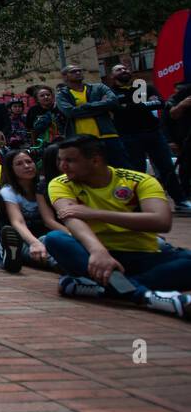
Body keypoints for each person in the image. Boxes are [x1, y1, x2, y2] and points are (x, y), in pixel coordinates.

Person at [44, 134, 191, 318]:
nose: (62, 166)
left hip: (144, 254)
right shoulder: (60, 183)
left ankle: (101, 288)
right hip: (93, 257)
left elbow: (161, 222)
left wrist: (96, 213)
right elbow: (72, 219)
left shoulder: (139, 180)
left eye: (70, 160)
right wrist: (98, 251)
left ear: (95, 161)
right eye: (60, 160)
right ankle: (145, 296)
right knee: (56, 239)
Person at [107, 63, 191, 212]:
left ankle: (181, 201)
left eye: (126, 68)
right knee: (136, 172)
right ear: (112, 76)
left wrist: (130, 106)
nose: (124, 70)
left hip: (153, 133)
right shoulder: (110, 93)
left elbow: (159, 103)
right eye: (118, 69)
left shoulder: (146, 87)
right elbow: (118, 109)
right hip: (128, 136)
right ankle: (141, 204)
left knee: (167, 168)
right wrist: (141, 105)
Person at [0, 148, 66, 273]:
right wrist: (34, 243)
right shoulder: (8, 191)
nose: (27, 166)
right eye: (19, 164)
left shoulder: (44, 185)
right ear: (10, 169)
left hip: (46, 236)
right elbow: (18, 222)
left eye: (29, 161)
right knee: (47, 257)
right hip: (23, 239)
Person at [55, 65, 126, 166]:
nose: (78, 73)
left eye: (80, 70)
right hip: (82, 141)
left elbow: (113, 102)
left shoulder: (99, 87)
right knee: (91, 170)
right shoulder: (62, 95)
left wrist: (85, 107)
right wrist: (101, 106)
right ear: (65, 76)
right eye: (73, 71)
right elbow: (70, 112)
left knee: (121, 167)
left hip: (108, 135)